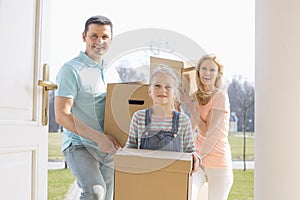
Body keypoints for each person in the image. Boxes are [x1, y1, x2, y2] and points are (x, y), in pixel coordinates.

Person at [55, 15, 121, 200]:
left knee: (108, 196)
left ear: (111, 39)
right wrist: (99, 138)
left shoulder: (112, 71)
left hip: (108, 145)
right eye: (94, 36)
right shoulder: (71, 69)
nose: (99, 41)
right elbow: (61, 115)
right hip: (79, 145)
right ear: (84, 36)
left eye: (105, 37)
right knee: (95, 192)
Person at [125, 65, 200, 173]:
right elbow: (131, 147)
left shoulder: (183, 121)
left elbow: (190, 151)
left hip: (173, 180)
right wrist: (123, 153)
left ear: (174, 92)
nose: (162, 90)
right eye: (157, 85)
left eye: (168, 87)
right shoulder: (139, 117)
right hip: (144, 179)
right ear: (149, 91)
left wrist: (196, 159)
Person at [180, 54, 233, 200]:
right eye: (204, 69)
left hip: (218, 162)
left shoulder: (220, 97)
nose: (207, 73)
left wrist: (189, 105)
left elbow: (206, 130)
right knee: (187, 195)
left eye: (212, 70)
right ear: (198, 72)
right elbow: (192, 127)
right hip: (198, 160)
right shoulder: (197, 96)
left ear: (217, 74)